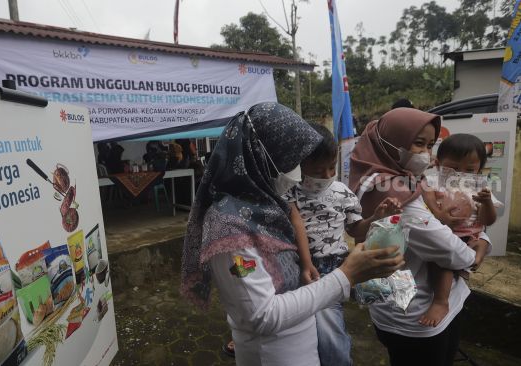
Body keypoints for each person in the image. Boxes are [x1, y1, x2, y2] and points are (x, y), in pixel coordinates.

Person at [181, 102, 405, 366]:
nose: (297, 174)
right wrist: (346, 276)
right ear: (261, 158)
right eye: (292, 162)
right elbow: (261, 315)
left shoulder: (266, 205)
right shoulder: (229, 229)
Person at [349, 107, 489, 366]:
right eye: (419, 143)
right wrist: (477, 252)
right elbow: (451, 251)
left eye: (430, 145)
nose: (426, 153)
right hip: (417, 315)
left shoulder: (380, 178)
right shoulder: (397, 194)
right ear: (392, 142)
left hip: (396, 304)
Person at [283, 123, 402, 366]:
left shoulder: (342, 193)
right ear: (298, 165)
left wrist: (375, 219)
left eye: (331, 167)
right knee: (303, 332)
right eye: (318, 170)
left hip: (332, 269)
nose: (327, 175)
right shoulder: (289, 193)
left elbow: (355, 228)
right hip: (297, 268)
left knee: (329, 334)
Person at [418, 134, 500, 327]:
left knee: (478, 242)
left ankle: (444, 297)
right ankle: (441, 300)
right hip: (448, 235)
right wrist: (438, 211)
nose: (460, 174)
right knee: (444, 261)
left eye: (469, 169)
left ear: (479, 169)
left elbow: (488, 220)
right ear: (438, 164)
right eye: (453, 168)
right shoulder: (434, 181)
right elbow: (425, 195)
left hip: (470, 235)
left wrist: (487, 203)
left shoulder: (481, 188)